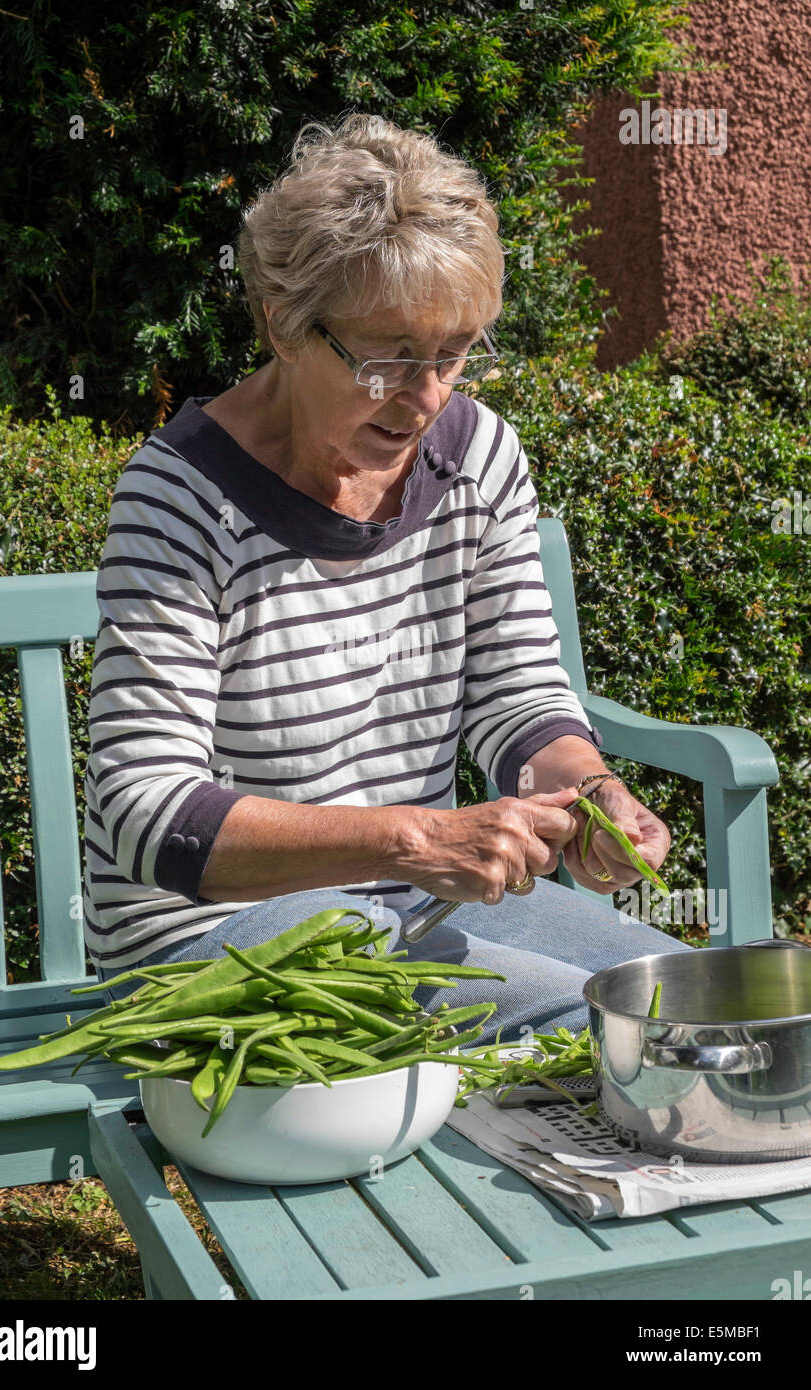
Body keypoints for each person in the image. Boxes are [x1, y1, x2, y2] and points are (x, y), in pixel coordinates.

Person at [83, 111, 688, 1039]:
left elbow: (517, 694)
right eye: (390, 358)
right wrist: (416, 838)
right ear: (285, 324)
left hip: (412, 903)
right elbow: (146, 812)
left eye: (454, 353)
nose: (429, 395)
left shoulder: (478, 455)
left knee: (684, 996)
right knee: (595, 1028)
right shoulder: (180, 496)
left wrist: (593, 793)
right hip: (207, 938)